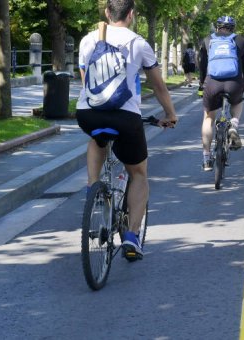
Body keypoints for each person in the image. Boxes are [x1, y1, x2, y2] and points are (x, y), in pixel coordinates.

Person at [76, 0, 177, 261]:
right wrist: (170, 114)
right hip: (125, 116)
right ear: (131, 15)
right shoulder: (139, 43)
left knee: (97, 138)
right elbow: (158, 87)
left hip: (88, 114)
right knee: (139, 173)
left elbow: (86, 79)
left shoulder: (88, 40)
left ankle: (92, 189)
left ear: (107, 13)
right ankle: (132, 236)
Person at [198, 15, 244, 171]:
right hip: (234, 83)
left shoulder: (208, 40)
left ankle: (207, 158)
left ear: (217, 27)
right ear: (233, 28)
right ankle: (234, 124)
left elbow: (202, 64)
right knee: (237, 102)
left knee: (208, 118)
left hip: (212, 83)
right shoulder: (241, 41)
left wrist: (202, 84)